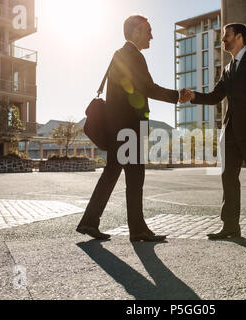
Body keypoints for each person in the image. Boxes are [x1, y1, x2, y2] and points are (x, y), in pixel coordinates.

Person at [77, 15, 186, 242]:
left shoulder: (120, 54)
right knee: (133, 177)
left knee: (117, 174)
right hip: (129, 129)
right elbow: (147, 87)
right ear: (136, 31)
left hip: (121, 128)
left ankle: (93, 222)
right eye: (148, 30)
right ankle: (135, 229)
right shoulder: (132, 55)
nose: (152, 36)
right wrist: (177, 96)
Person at [180, 23, 246, 239]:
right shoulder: (228, 68)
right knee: (228, 177)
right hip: (230, 132)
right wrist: (194, 96)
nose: (223, 40)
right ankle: (230, 226)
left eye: (226, 36)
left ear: (239, 37)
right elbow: (215, 97)